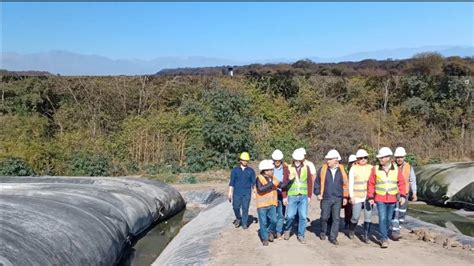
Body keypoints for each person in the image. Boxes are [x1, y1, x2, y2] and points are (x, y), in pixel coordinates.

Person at [367, 147, 406, 248]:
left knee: (389, 219)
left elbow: (402, 183)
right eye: (379, 158)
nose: (380, 159)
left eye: (382, 158)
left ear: (388, 157)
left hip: (392, 199)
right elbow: (371, 183)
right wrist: (370, 197)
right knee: (383, 218)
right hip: (380, 199)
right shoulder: (375, 169)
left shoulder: (396, 169)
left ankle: (383, 234)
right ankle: (384, 239)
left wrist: (402, 195)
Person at [314, 149, 349, 245]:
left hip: (338, 198)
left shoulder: (342, 170)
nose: (327, 161)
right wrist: (317, 193)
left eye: (329, 159)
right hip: (326, 197)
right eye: (327, 159)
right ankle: (323, 231)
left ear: (336, 160)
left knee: (336, 218)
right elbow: (317, 183)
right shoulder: (322, 170)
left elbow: (345, 184)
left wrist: (345, 197)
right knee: (324, 217)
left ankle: (333, 237)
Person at [282, 149, 313, 244]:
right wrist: (284, 196)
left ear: (302, 160)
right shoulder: (288, 168)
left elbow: (309, 182)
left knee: (303, 216)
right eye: (295, 160)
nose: (297, 162)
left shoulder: (306, 168)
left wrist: (309, 196)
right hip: (292, 196)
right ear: (293, 159)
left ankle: (301, 235)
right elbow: (284, 183)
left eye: (299, 160)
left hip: (303, 196)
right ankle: (287, 229)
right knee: (290, 216)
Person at [391, 146, 418, 240]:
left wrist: (414, 193)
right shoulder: (391, 166)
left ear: (404, 157)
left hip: (405, 194)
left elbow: (412, 180)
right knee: (395, 213)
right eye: (397, 157)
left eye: (401, 157)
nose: (399, 159)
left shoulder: (409, 167)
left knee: (402, 213)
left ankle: (397, 227)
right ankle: (395, 233)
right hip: (393, 193)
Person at [348, 149, 373, 243]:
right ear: (357, 159)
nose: (363, 159)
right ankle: (351, 230)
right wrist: (351, 196)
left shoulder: (371, 167)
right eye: (361, 158)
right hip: (357, 196)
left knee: (368, 217)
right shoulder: (354, 168)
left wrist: (373, 196)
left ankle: (366, 235)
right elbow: (351, 183)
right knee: (355, 216)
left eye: (365, 157)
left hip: (368, 196)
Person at [228, 152, 256, 230]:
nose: (245, 161)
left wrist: (254, 193)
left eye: (246, 160)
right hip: (237, 192)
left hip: (247, 193)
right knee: (235, 207)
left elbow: (253, 183)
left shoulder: (251, 171)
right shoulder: (235, 170)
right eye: (243, 160)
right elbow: (232, 182)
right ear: (240, 160)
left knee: (245, 208)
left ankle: (244, 223)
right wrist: (230, 192)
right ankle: (238, 218)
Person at [271, 149, 290, 239]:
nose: (277, 162)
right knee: (271, 214)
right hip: (271, 195)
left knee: (281, 214)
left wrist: (285, 197)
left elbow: (286, 183)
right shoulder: (269, 168)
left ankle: (278, 232)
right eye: (275, 160)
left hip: (281, 194)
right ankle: (271, 231)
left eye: (278, 160)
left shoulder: (285, 169)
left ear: (281, 160)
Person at [344, 154, 357, 230]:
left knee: (353, 208)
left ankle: (352, 223)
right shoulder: (346, 170)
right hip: (347, 191)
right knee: (348, 208)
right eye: (352, 162)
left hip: (355, 191)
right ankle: (347, 221)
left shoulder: (358, 169)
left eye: (355, 162)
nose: (354, 164)